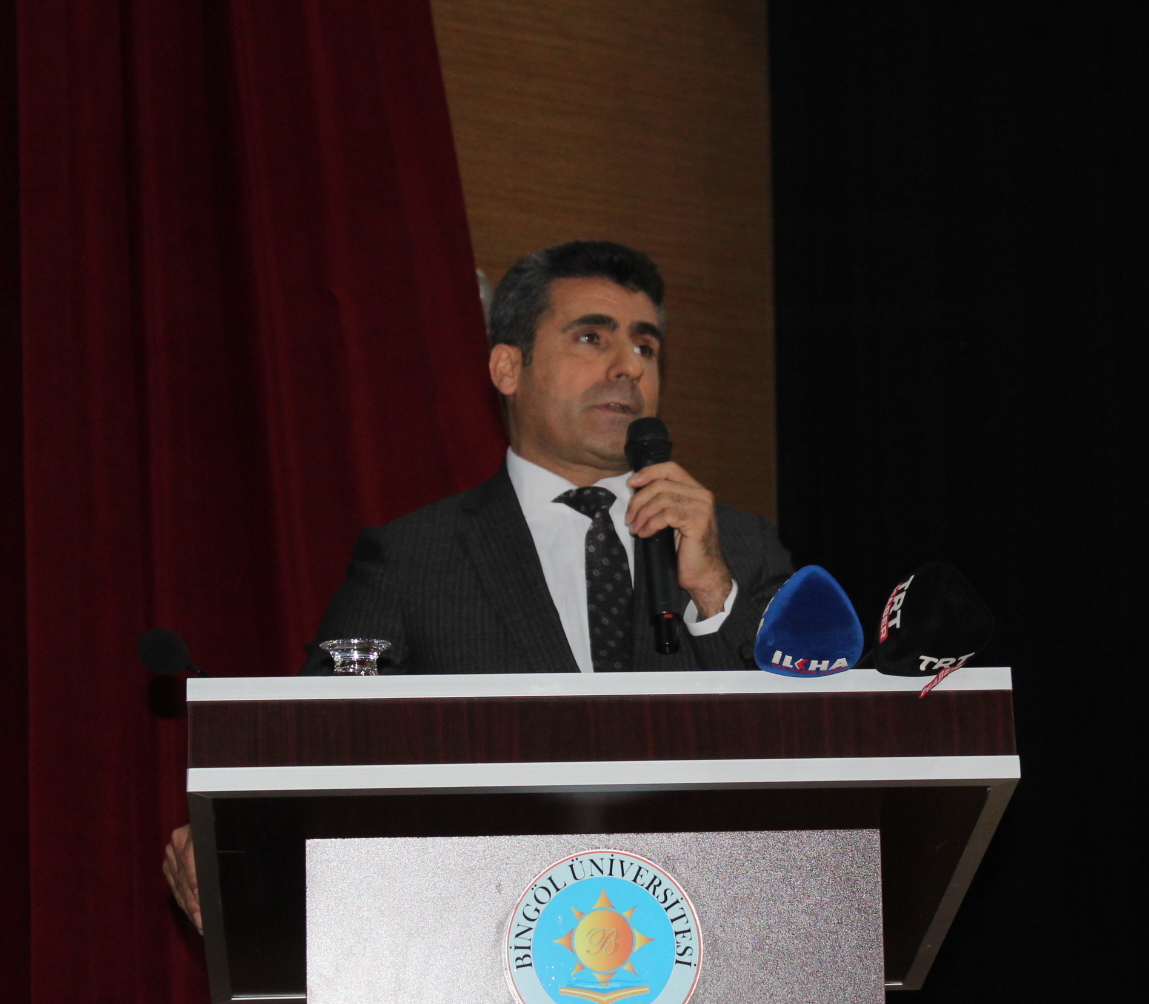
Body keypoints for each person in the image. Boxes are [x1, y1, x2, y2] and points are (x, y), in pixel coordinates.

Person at [163, 240, 794, 930]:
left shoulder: (738, 546)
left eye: (645, 346)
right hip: (486, 929)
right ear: (507, 368)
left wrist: (714, 594)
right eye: (592, 338)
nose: (629, 367)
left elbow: (815, 738)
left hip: (709, 919)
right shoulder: (413, 557)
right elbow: (323, 735)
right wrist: (237, 829)